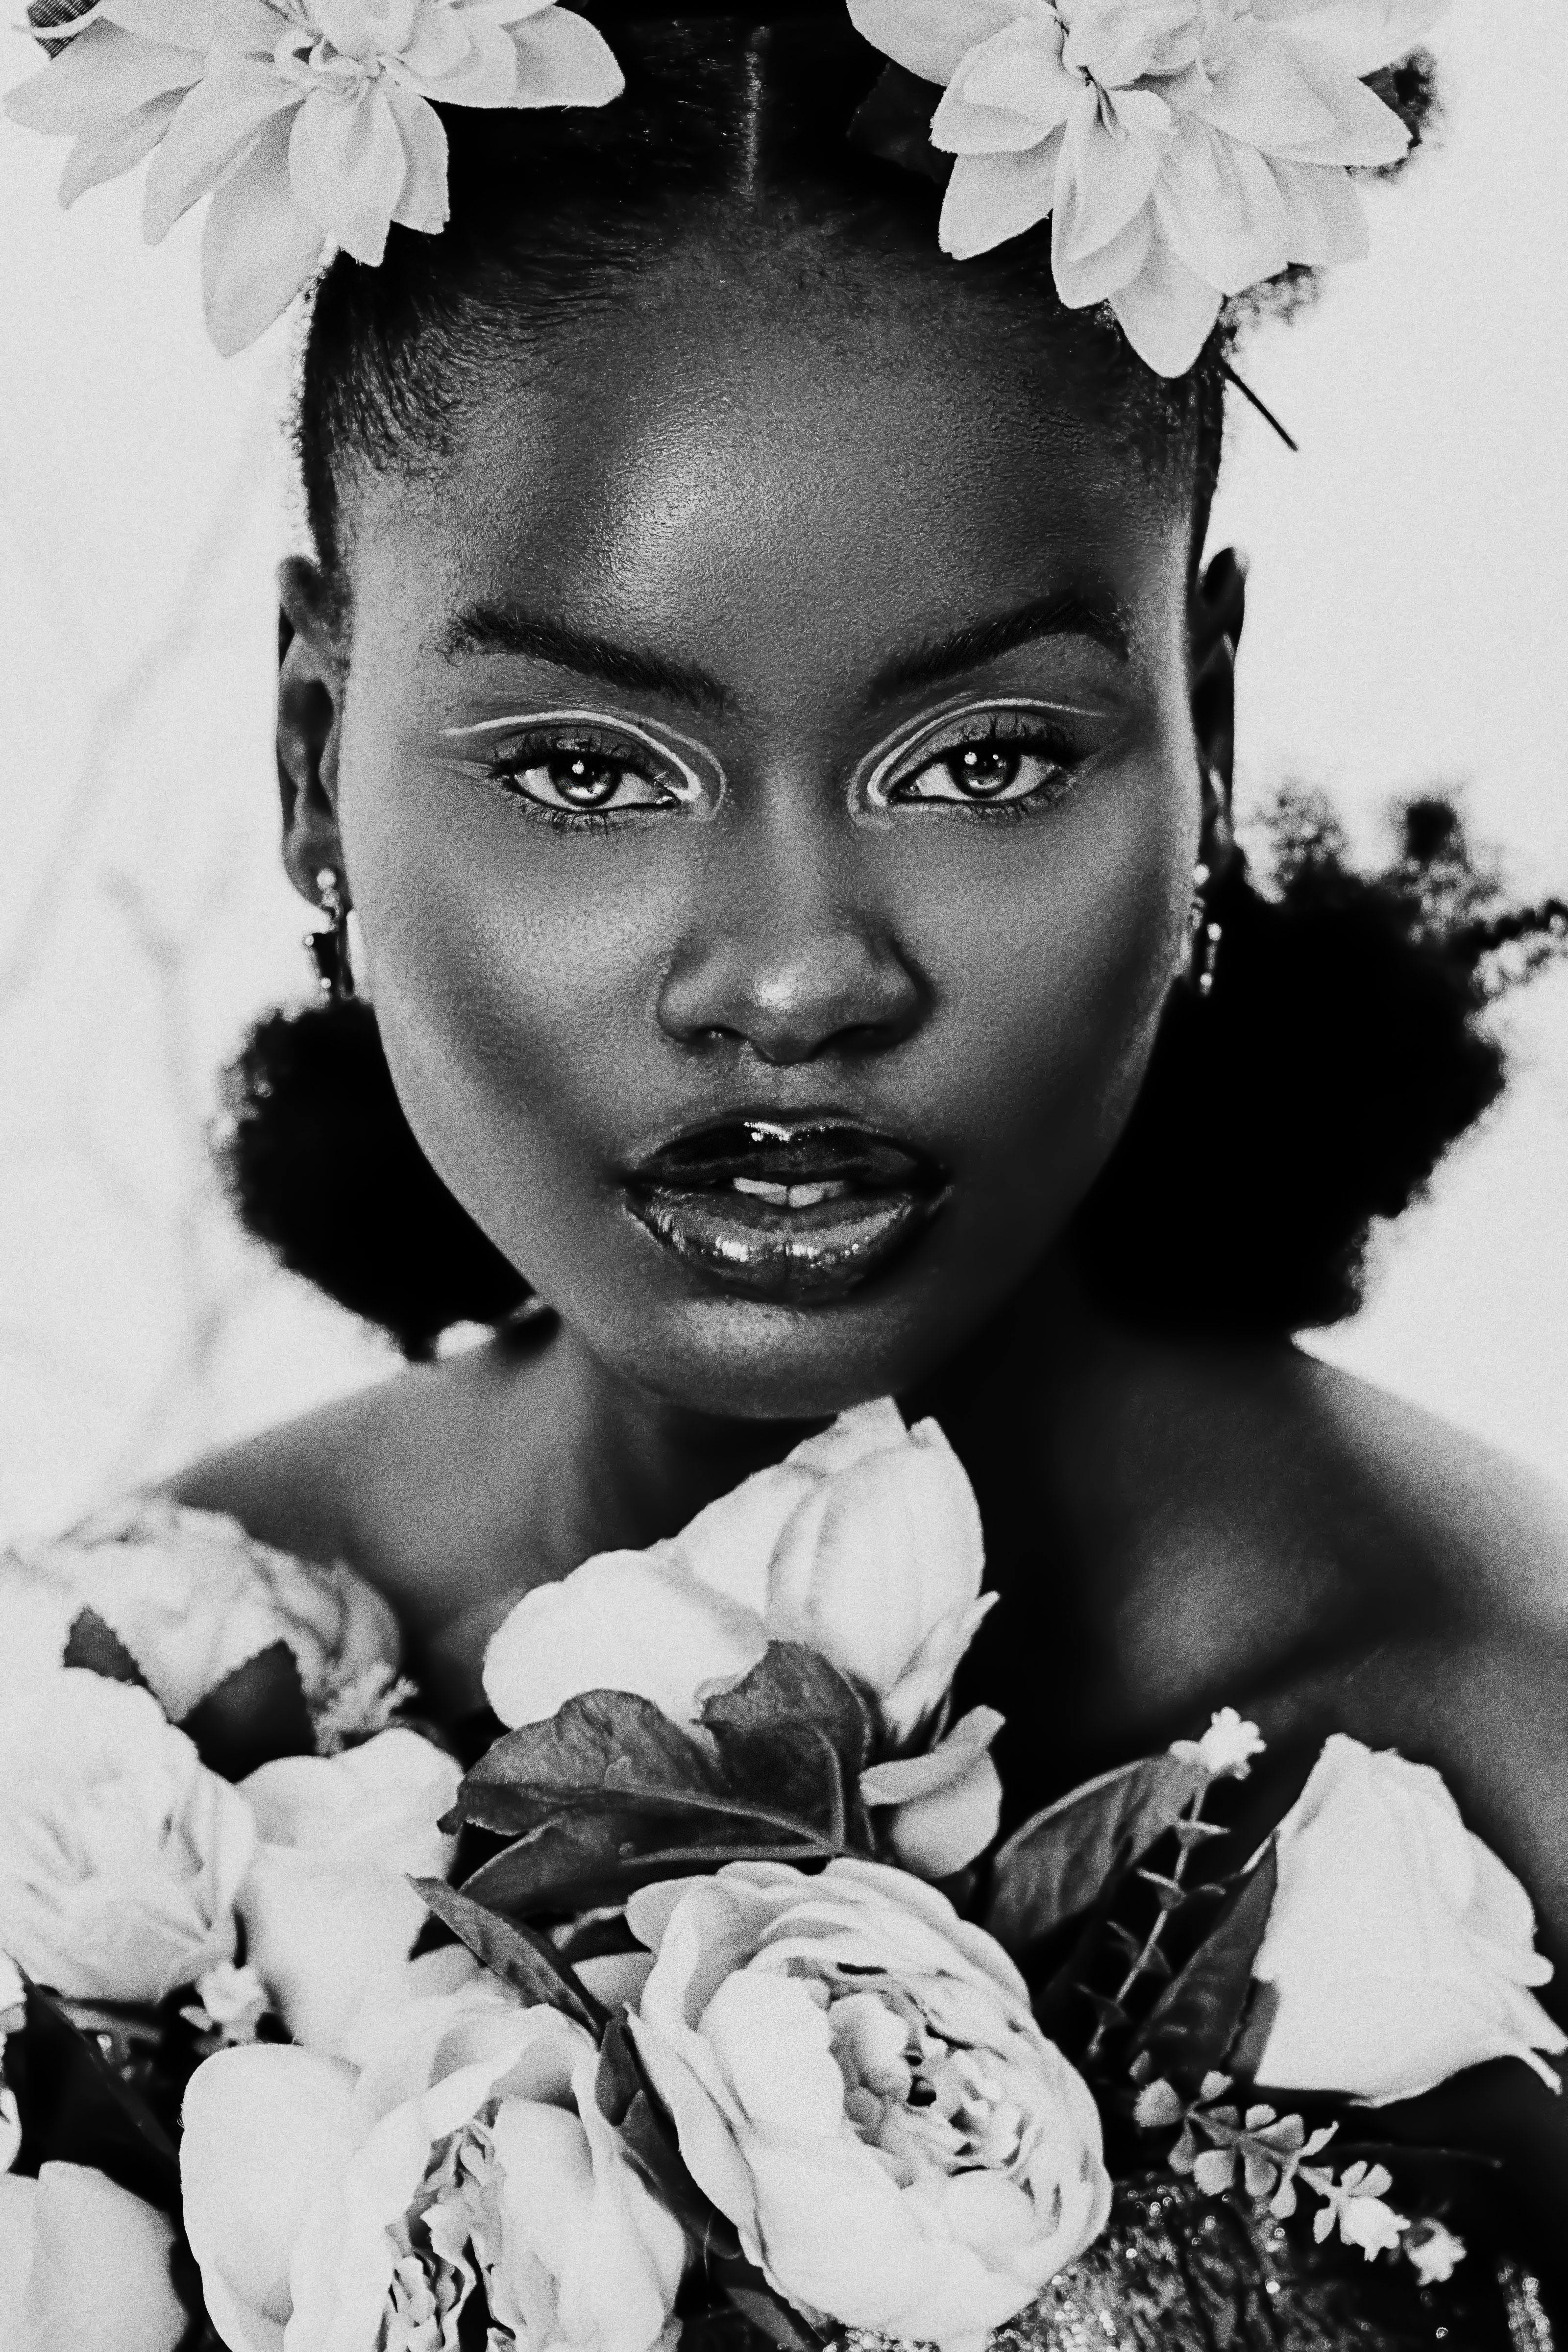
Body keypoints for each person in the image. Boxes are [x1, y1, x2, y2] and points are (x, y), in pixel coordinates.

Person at [10, 0, 1568, 2329]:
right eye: (585, 765)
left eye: (978, 762)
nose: (793, 975)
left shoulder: (1500, 1759)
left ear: (1201, 741)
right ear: (312, 747)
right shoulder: (100, 1759)